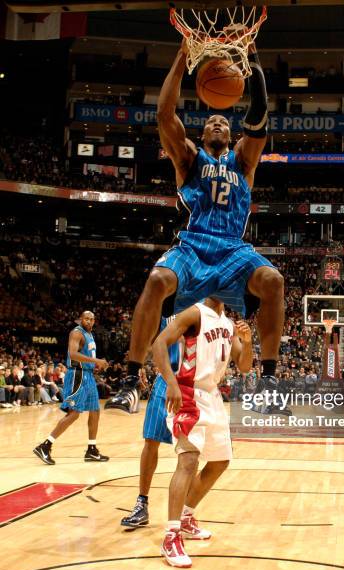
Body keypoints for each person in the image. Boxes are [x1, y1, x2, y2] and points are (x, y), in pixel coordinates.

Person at [106, 37, 283, 413]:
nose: (218, 122)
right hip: (195, 246)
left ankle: (268, 380)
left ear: (232, 134)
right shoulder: (189, 158)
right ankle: (128, 379)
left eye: (224, 120)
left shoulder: (244, 162)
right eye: (211, 121)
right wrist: (182, 56)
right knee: (156, 281)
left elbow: (260, 112)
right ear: (201, 135)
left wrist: (252, 58)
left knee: (273, 281)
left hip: (234, 249)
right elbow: (164, 116)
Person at [120, 298, 253, 569]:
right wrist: (171, 382)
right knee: (188, 460)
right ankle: (171, 536)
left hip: (213, 396)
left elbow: (245, 366)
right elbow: (159, 343)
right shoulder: (194, 313)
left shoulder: (228, 323)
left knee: (220, 462)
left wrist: (247, 341)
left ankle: (186, 516)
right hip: (188, 393)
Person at [33, 311, 109, 465]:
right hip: (77, 375)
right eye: (86, 319)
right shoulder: (76, 333)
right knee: (74, 413)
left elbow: (85, 356)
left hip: (88, 375)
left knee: (95, 411)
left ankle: (91, 449)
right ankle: (45, 446)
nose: (89, 321)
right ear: (81, 320)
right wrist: (96, 360)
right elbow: (73, 354)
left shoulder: (90, 335)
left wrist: (94, 366)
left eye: (91, 319)